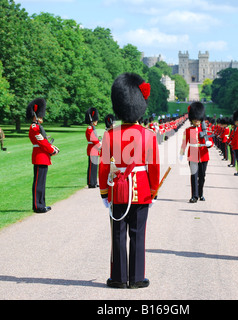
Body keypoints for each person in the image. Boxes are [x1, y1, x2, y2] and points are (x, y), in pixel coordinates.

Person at [99, 73, 160, 289]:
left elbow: (104, 167)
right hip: (141, 188)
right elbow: (153, 167)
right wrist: (154, 190)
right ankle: (136, 278)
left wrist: (104, 192)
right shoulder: (149, 135)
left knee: (117, 234)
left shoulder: (109, 135)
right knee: (138, 235)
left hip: (117, 190)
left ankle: (118, 278)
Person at [26, 98, 59, 214]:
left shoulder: (37, 127)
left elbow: (44, 141)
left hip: (43, 156)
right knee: (39, 182)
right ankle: (37, 205)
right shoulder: (34, 127)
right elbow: (41, 142)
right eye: (40, 115)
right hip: (40, 156)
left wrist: (52, 148)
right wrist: (52, 150)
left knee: (42, 182)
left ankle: (41, 204)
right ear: (36, 115)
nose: (42, 117)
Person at [180, 102, 213, 203]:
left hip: (203, 155)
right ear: (192, 120)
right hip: (193, 156)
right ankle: (194, 195)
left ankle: (200, 193)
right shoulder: (188, 130)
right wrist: (181, 153)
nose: (196, 121)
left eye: (198, 119)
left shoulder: (206, 130)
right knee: (194, 175)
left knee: (202, 176)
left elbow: (211, 141)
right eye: (195, 119)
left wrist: (209, 144)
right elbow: (184, 143)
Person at [85, 108, 101, 188]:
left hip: (94, 149)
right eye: (95, 120)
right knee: (91, 167)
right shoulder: (89, 129)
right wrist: (100, 145)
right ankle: (91, 183)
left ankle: (94, 182)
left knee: (95, 166)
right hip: (92, 149)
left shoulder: (92, 129)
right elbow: (93, 139)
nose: (96, 121)